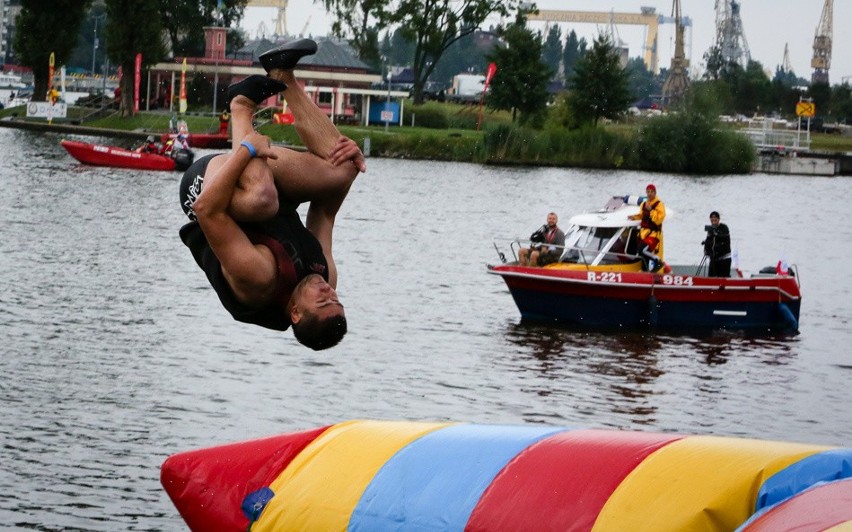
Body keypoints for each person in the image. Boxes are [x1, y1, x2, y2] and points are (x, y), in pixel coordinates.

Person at [178, 38, 366, 350]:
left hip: (207, 188)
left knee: (261, 200)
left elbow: (207, 210)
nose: (329, 293)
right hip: (270, 192)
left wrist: (247, 149)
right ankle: (282, 73)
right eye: (336, 300)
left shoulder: (258, 280)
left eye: (322, 303)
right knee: (345, 166)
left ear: (295, 312)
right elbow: (324, 213)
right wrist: (351, 158)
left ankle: (240, 105)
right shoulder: (326, 276)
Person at [628, 184, 666, 272]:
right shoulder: (644, 204)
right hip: (643, 233)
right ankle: (645, 270)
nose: (649, 194)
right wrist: (634, 217)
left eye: (652, 192)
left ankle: (657, 260)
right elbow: (642, 215)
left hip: (654, 234)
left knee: (642, 250)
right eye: (648, 192)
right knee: (641, 252)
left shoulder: (659, 204)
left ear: (655, 193)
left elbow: (659, 220)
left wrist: (651, 210)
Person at [703, 211, 732, 277]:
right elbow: (708, 241)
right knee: (711, 277)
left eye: (715, 219)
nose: (713, 221)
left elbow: (724, 235)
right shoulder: (710, 229)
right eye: (712, 220)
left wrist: (715, 233)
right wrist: (706, 250)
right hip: (713, 259)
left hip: (724, 259)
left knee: (723, 277)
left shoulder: (724, 227)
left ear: (718, 219)